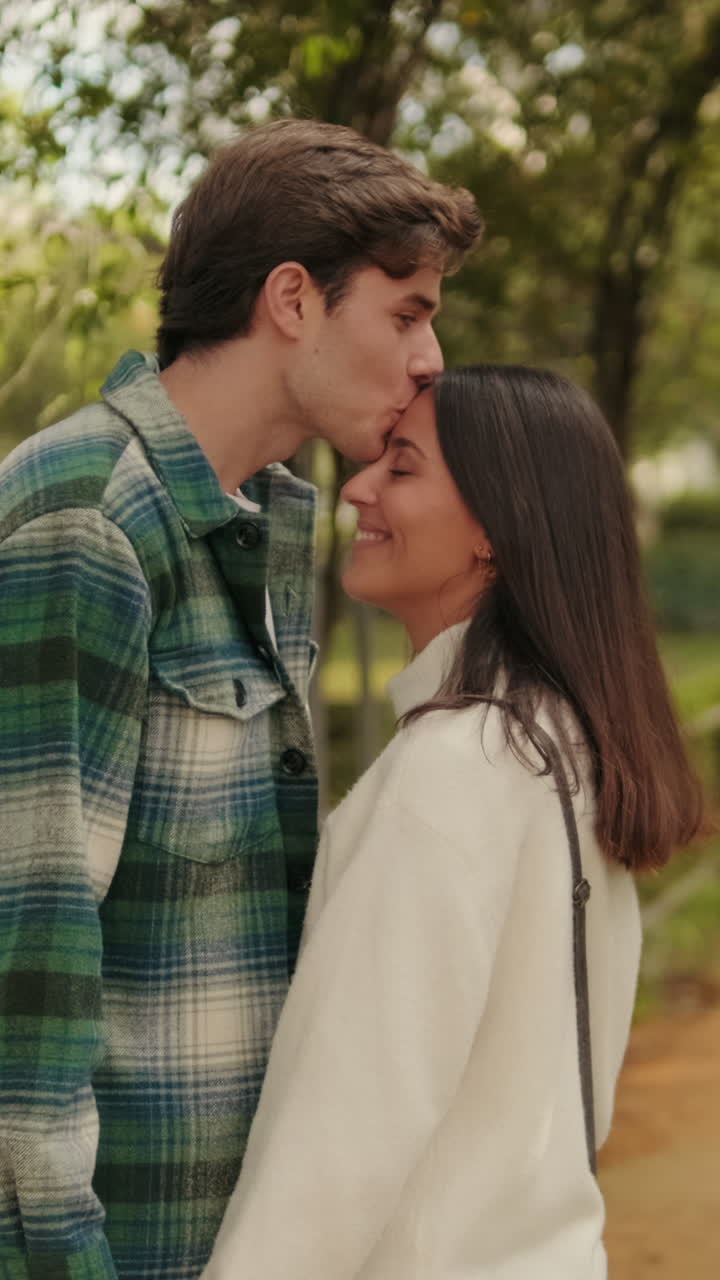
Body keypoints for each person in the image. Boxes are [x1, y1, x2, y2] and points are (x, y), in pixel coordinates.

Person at [0, 120, 481, 1277]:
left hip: (242, 1232)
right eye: (407, 312)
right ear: (293, 299)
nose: (431, 358)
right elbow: (28, 966)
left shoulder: (261, 524)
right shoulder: (90, 522)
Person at [201, 365, 704, 1280]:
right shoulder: (560, 740)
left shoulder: (455, 768)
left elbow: (341, 1138)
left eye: (402, 467)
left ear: (495, 531)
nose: (358, 488)